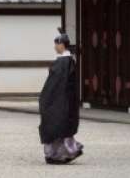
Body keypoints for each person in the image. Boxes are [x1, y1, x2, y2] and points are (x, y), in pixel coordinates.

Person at [38, 28, 82, 165]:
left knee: (55, 127)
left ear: (62, 45)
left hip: (59, 101)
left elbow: (56, 85)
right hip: (63, 101)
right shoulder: (67, 62)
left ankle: (59, 154)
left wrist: (46, 100)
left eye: (56, 44)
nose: (54, 47)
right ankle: (60, 153)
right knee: (58, 128)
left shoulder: (63, 63)